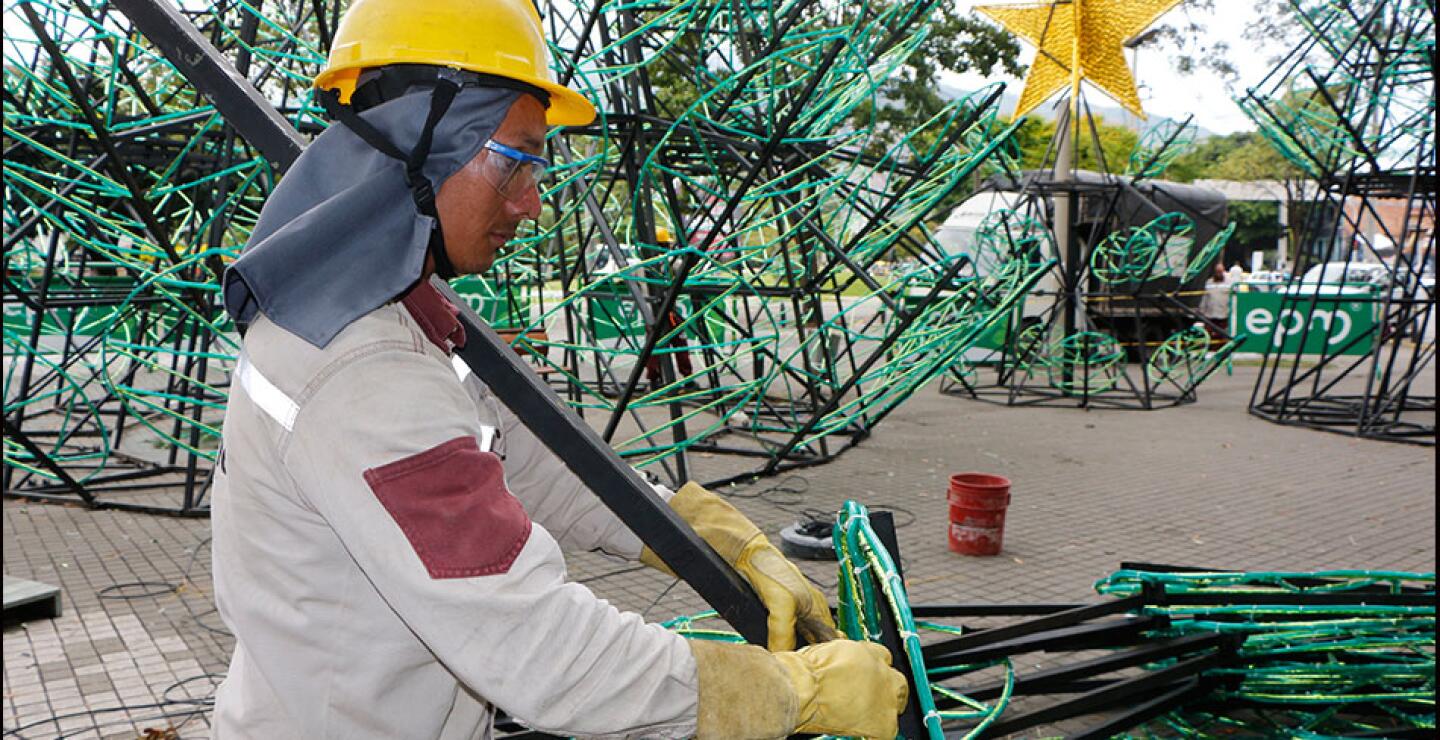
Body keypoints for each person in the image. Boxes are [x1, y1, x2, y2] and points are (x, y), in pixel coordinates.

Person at [210, 0, 908, 738]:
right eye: (515, 160)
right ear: (427, 143)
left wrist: (701, 532)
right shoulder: (362, 366)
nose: (532, 202)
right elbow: (535, 647)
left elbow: (525, 461)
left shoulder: (378, 307)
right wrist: (785, 693)